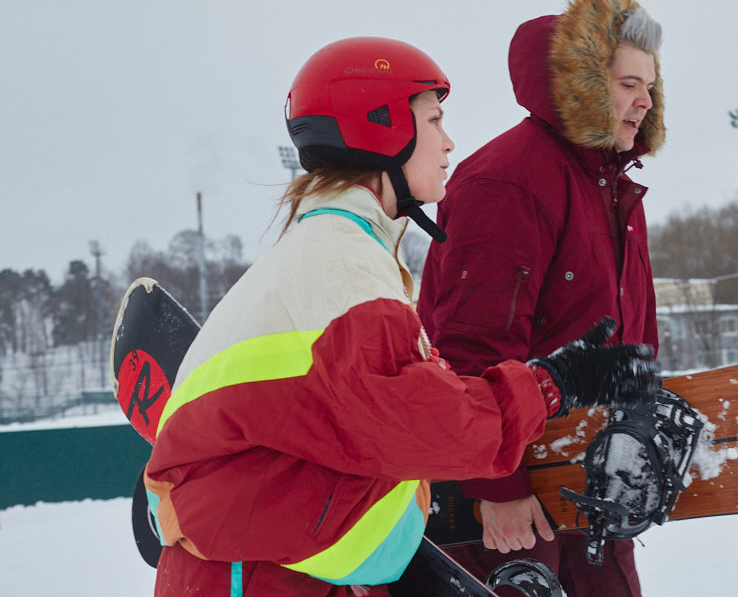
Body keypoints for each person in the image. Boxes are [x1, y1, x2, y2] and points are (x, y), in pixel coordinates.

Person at [143, 36, 660, 597]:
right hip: (264, 581)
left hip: (278, 570)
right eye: (434, 120)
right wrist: (551, 384)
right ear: (381, 128)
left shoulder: (327, 254)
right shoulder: (341, 266)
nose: (448, 142)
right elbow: (425, 426)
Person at [418, 0, 665, 597]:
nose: (644, 100)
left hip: (590, 481)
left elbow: (631, 338)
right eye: (628, 83)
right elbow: (465, 353)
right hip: (507, 501)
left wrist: (638, 427)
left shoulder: (611, 188)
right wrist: (494, 489)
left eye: (650, 85)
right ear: (580, 84)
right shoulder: (509, 183)